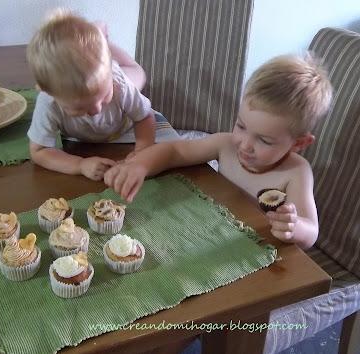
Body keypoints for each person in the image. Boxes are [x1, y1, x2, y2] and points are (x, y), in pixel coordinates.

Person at [104, 54, 333, 249]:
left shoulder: (296, 172)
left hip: (254, 255)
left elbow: (311, 232)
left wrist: (295, 227)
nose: (244, 144)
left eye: (264, 140)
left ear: (299, 143)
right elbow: (176, 151)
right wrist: (140, 164)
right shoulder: (226, 145)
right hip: (208, 237)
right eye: (241, 126)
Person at [26, 9, 155, 181]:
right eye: (80, 108)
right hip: (108, 84)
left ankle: (105, 43)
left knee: (137, 72)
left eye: (103, 97)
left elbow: (145, 116)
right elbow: (39, 151)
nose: (96, 110)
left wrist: (142, 151)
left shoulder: (118, 85)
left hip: (121, 82)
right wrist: (79, 165)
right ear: (48, 92)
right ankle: (100, 41)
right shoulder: (48, 102)